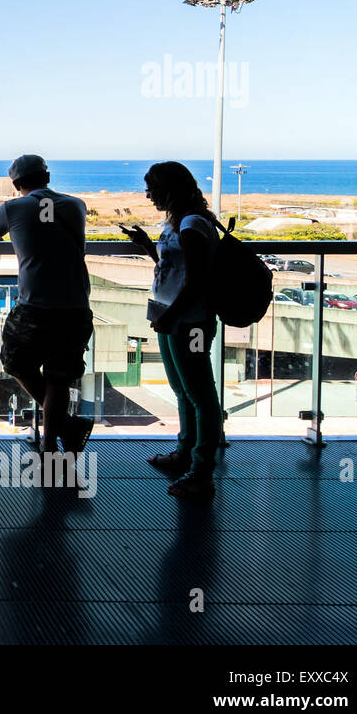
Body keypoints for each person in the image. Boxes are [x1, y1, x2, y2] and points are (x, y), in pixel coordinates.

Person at [0, 154, 95, 455]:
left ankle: (65, 429)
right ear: (46, 177)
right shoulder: (76, 205)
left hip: (35, 305)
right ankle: (51, 443)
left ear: (16, 184)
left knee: (15, 361)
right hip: (75, 305)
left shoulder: (13, 207)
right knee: (58, 375)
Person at [121, 161, 222, 500]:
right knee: (183, 391)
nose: (148, 194)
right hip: (172, 318)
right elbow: (174, 267)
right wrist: (149, 247)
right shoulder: (179, 222)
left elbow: (196, 281)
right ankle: (185, 453)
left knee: (201, 397)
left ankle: (201, 471)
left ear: (169, 189)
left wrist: (171, 316)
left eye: (152, 188)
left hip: (189, 322)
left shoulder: (193, 224)